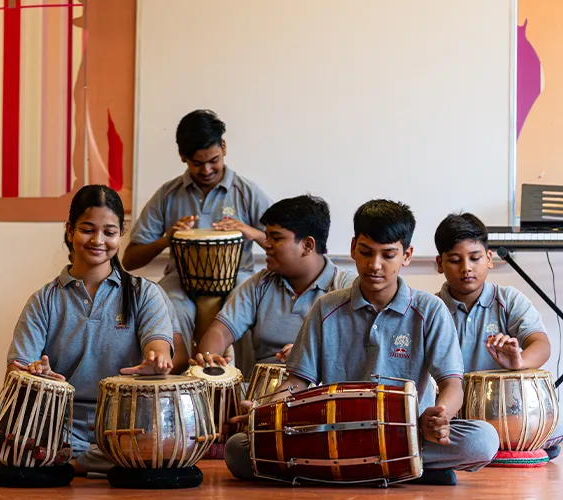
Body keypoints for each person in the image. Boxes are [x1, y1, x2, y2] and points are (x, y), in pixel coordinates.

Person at [224, 199, 499, 486]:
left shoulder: (430, 310)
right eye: (366, 252)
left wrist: (441, 416)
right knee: (238, 449)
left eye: (388, 255)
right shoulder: (325, 308)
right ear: (354, 248)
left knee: (482, 440)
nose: (375, 265)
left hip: (408, 433)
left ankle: (338, 470)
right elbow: (297, 382)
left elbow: (452, 385)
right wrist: (263, 411)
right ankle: (404, 467)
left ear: (406, 255)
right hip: (335, 432)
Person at [0, 185, 176, 474]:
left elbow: (158, 346)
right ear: (69, 230)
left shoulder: (144, 293)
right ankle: (98, 460)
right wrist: (35, 376)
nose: (98, 240)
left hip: (123, 423)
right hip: (56, 423)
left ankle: (65, 462)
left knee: (167, 432)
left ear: (121, 234)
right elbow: (15, 374)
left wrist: (157, 360)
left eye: (109, 232)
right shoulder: (44, 299)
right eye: (87, 230)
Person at [122, 110, 272, 371]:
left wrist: (252, 232)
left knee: (246, 305)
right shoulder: (168, 194)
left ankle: (244, 381)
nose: (207, 170)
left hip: (238, 276)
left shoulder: (246, 192)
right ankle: (173, 380)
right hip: (180, 279)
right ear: (183, 156)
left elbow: (282, 243)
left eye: (214, 160)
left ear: (223, 147)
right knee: (164, 303)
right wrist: (166, 240)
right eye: (197, 163)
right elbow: (130, 260)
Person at [434, 212, 560, 459]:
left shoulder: (508, 299)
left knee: (558, 423)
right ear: (440, 264)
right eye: (455, 260)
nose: (466, 268)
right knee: (471, 437)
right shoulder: (432, 308)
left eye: (475, 258)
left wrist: (519, 361)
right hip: (455, 417)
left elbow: (541, 344)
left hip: (506, 414)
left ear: (489, 258)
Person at [191, 195, 355, 372]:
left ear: (308, 245)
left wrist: (308, 354)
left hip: (322, 386)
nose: (266, 244)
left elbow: (355, 350)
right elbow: (220, 331)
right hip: (262, 386)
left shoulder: (347, 288)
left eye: (276, 238)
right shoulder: (260, 284)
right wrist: (209, 357)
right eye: (267, 236)